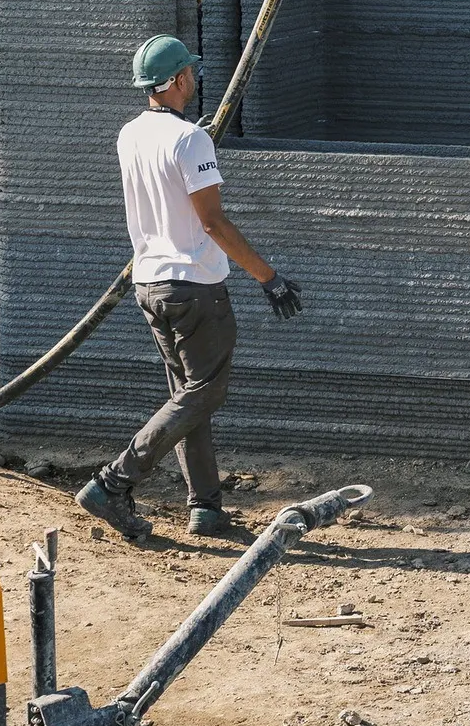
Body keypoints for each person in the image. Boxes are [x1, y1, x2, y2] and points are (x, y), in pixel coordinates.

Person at [76, 35, 302, 543]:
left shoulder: (130, 134)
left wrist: (191, 140)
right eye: (190, 73)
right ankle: (114, 482)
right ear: (177, 80)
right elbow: (213, 223)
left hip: (151, 284)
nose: (195, 80)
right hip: (196, 287)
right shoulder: (190, 141)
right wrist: (269, 277)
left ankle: (206, 507)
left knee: (187, 397)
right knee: (205, 391)